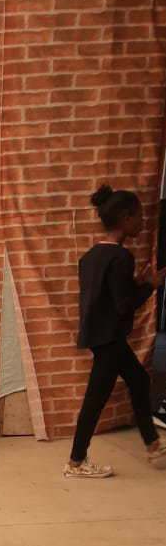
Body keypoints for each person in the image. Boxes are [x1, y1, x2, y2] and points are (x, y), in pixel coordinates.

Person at [65, 185, 166, 478]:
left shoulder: (90, 256)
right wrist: (149, 286)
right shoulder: (121, 257)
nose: (142, 223)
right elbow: (123, 306)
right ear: (125, 218)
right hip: (109, 337)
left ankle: (152, 444)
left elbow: (106, 297)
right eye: (139, 217)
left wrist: (136, 283)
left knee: (138, 379)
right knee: (95, 399)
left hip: (99, 336)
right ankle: (75, 463)